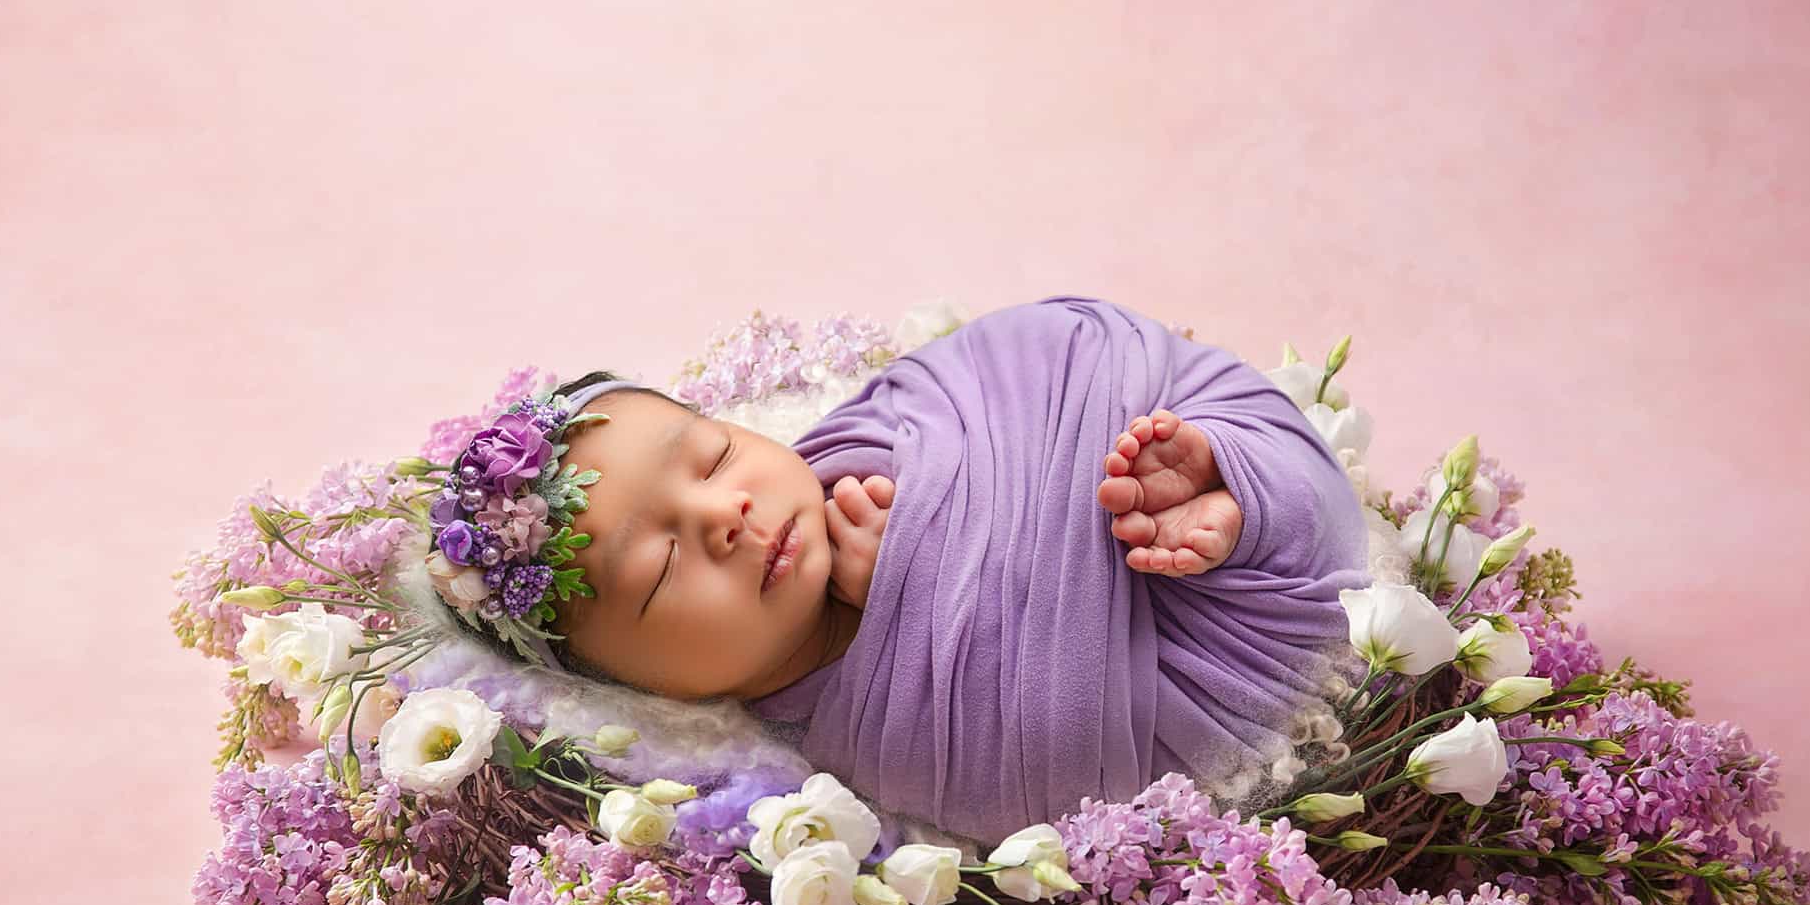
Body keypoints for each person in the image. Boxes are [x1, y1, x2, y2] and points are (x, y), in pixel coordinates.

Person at [540, 295, 1369, 841]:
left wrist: (1204, 463)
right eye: (661, 570)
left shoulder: (882, 426)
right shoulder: (857, 760)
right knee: (1296, 640)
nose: (726, 517)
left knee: (1250, 461)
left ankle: (1229, 483)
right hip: (1199, 680)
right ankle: (1235, 530)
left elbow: (1038, 354)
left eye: (715, 456)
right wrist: (917, 580)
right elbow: (1051, 774)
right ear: (641, 691)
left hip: (1144, 426)